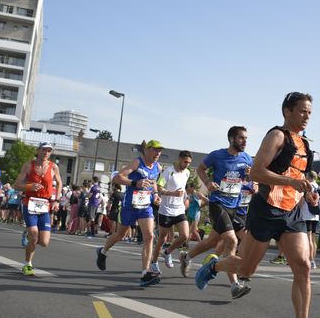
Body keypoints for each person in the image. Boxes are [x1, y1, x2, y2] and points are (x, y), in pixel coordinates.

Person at [193, 92, 320, 318]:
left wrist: (308, 196)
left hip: (291, 212)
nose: (306, 117)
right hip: (266, 209)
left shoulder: (305, 145)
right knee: (247, 269)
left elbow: (298, 182)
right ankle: (214, 266)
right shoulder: (276, 136)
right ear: (287, 111)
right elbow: (257, 172)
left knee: (303, 265)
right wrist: (290, 181)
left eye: (310, 113)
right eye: (302, 111)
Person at [178, 126, 253, 299]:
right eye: (241, 138)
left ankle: (186, 256)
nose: (245, 141)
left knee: (213, 241)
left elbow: (251, 178)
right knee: (231, 240)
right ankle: (234, 285)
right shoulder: (217, 155)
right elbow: (200, 169)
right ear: (232, 138)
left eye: (246, 138)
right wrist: (207, 182)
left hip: (235, 207)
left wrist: (252, 180)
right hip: (218, 204)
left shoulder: (247, 158)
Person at [95, 140, 164, 287]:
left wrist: (156, 194)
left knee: (149, 236)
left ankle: (145, 273)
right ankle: (103, 251)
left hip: (145, 206)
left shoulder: (157, 167)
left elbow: (153, 183)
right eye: (155, 150)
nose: (158, 153)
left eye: (160, 151)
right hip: (130, 205)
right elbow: (116, 177)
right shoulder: (137, 162)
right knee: (120, 235)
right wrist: (134, 183)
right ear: (147, 150)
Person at [14, 142, 63, 276]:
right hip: (29, 203)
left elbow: (59, 183)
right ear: (38, 150)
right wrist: (29, 187)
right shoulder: (29, 165)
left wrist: (57, 200)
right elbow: (16, 185)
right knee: (34, 236)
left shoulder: (54, 167)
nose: (46, 153)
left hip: (44, 205)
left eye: (49, 151)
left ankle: (27, 232)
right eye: (44, 150)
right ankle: (27, 264)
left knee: (44, 242)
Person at [150, 150, 193, 274]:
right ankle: (154, 262)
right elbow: (160, 188)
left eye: (189, 163)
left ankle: (167, 252)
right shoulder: (168, 172)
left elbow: (183, 189)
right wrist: (173, 193)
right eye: (185, 162)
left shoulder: (187, 173)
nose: (187, 165)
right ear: (179, 159)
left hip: (179, 209)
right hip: (166, 210)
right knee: (162, 238)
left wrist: (185, 199)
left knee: (185, 235)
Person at [298, 171, 320, 268]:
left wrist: (297, 207)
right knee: (313, 239)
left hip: (307, 214)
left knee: (308, 239)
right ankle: (313, 260)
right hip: (315, 215)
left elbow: (302, 201)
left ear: (309, 177)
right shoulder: (319, 187)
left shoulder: (308, 186)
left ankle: (310, 260)